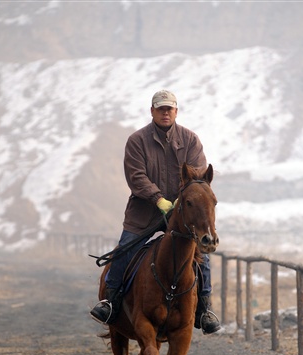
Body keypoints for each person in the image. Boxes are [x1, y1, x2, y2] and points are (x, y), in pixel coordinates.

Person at [90, 90, 220, 334]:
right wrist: (158, 199)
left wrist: (180, 202)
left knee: (202, 256)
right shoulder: (137, 141)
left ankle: (204, 308)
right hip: (144, 214)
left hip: (181, 215)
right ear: (152, 111)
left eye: (169, 109)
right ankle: (110, 301)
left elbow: (198, 177)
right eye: (160, 109)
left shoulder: (191, 140)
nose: (165, 113)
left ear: (176, 111)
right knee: (124, 251)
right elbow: (136, 176)